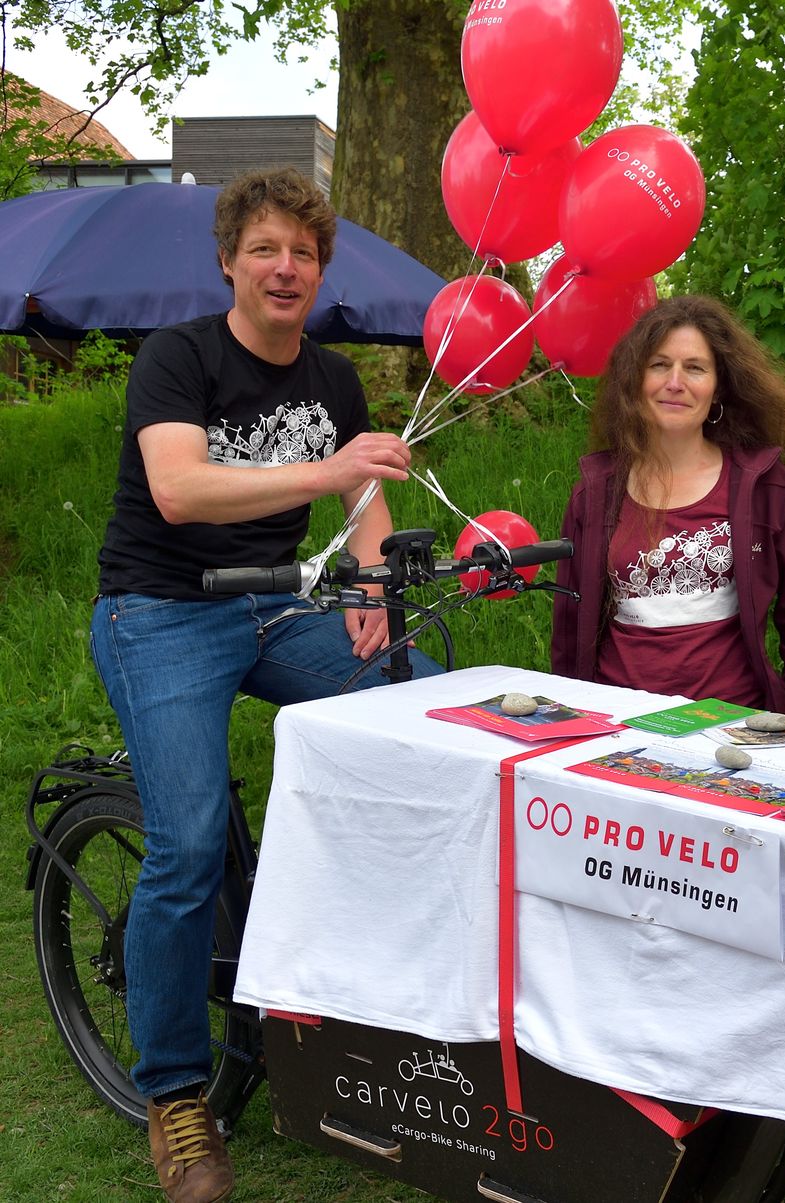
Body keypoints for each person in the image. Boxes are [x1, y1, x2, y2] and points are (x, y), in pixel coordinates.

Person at [90, 166, 439, 1203]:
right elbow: (180, 488)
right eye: (265, 250)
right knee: (189, 844)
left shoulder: (333, 379)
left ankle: (350, 969)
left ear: (319, 269)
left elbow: (367, 482)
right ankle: (176, 1097)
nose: (285, 268)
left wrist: (372, 576)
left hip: (278, 605)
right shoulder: (179, 356)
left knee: (427, 694)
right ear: (231, 261)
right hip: (161, 612)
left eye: (303, 252)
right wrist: (327, 479)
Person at [551, 295, 785, 718]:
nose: (675, 382)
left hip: (733, 725)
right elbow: (569, 626)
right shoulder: (594, 493)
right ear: (635, 378)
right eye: (659, 365)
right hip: (620, 724)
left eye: (695, 368)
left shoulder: (767, 488)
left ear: (718, 385)